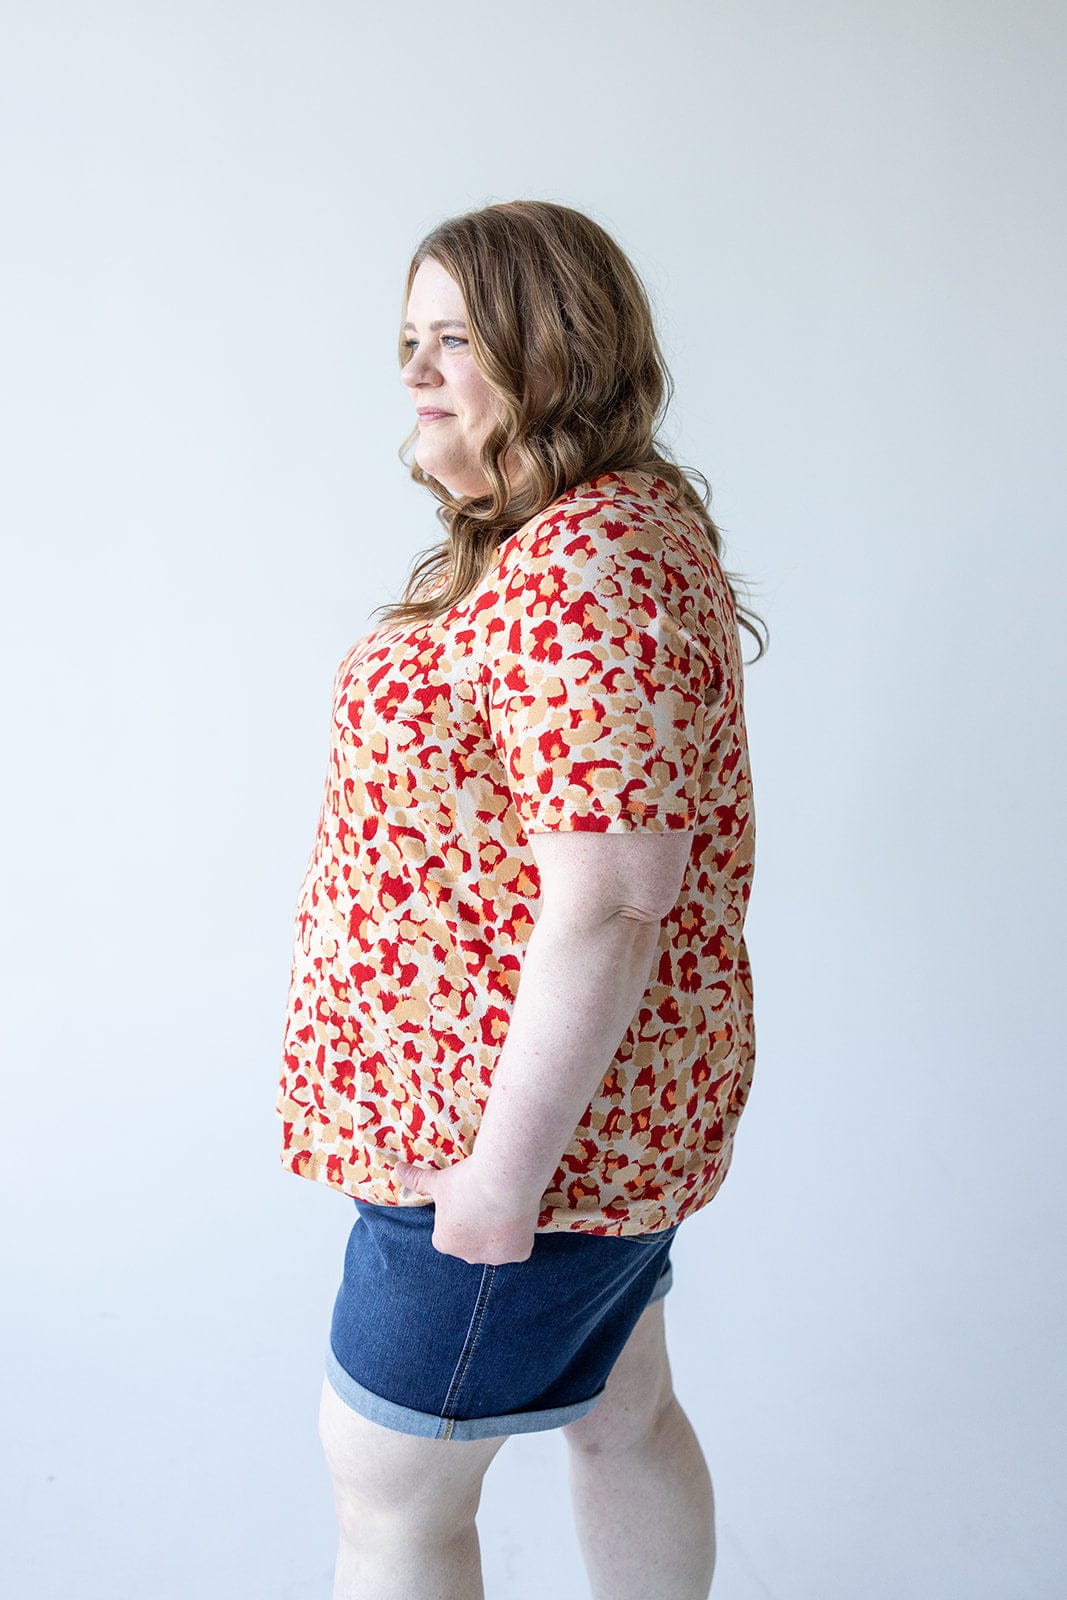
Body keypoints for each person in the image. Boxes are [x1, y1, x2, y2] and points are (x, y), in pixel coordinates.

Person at [275, 199, 763, 1600]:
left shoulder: (579, 565)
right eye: (409, 342)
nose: (419, 372)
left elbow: (613, 901)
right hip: (550, 1133)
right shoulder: (578, 535)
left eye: (456, 339)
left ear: (552, 347)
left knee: (387, 1493)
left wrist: (498, 1180)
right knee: (621, 1413)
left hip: (499, 1150)